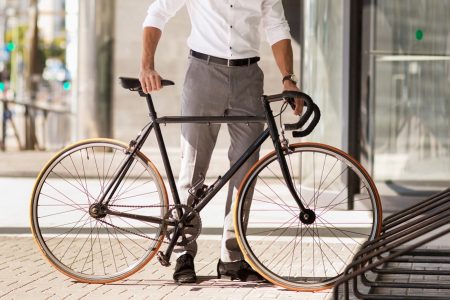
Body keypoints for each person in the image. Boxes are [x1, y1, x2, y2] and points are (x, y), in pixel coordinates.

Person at [139, 0, 303, 284]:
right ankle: (183, 253)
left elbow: (277, 27)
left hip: (249, 78)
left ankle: (232, 259)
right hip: (203, 72)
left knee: (245, 173)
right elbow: (158, 12)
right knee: (192, 168)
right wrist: (146, 66)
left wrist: (288, 79)